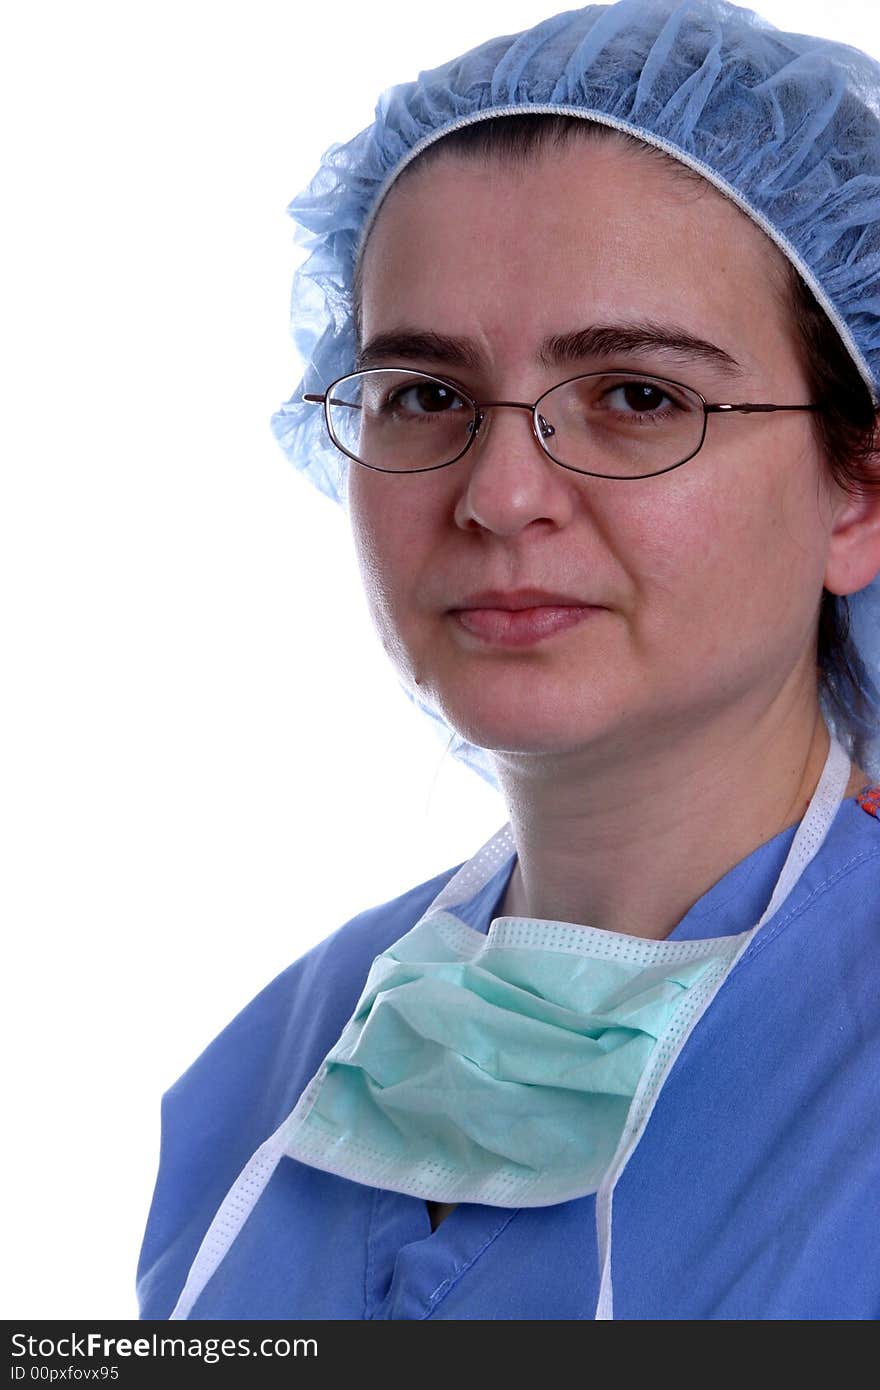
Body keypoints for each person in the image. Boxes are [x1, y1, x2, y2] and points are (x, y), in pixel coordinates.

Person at [137, 0, 880, 1321]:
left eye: (637, 394)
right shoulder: (273, 1068)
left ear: (859, 494)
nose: (499, 494)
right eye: (427, 393)